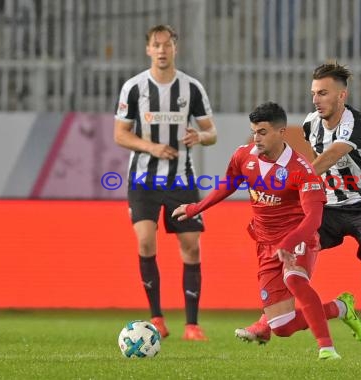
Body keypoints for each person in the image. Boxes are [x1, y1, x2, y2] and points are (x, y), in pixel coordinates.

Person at [235, 62, 361, 356]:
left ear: (341, 96)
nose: (316, 99)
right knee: (290, 251)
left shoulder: (356, 124)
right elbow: (314, 165)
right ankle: (268, 320)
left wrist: (289, 183)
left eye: (323, 93)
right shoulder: (311, 123)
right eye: (314, 93)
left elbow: (329, 156)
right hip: (331, 205)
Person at [172, 102, 361, 360]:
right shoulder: (244, 156)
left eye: (262, 132)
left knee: (294, 279)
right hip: (265, 244)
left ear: (281, 132)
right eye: (253, 131)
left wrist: (289, 242)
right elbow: (228, 184)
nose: (256, 138)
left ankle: (326, 348)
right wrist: (196, 208)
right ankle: (340, 307)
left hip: (299, 237)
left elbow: (313, 219)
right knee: (281, 327)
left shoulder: (301, 170)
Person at [113, 24, 217, 341]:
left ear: (175, 48)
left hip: (181, 179)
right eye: (156, 45)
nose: (161, 50)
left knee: (191, 247)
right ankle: (157, 317)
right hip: (143, 179)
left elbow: (211, 133)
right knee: (145, 241)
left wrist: (199, 136)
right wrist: (152, 147)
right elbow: (120, 134)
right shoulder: (133, 88)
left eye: (167, 44)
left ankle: (192, 324)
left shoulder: (191, 88)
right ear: (148, 50)